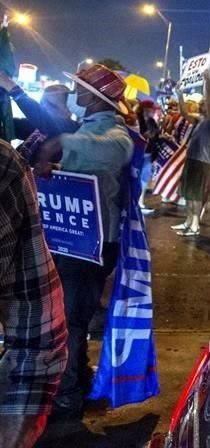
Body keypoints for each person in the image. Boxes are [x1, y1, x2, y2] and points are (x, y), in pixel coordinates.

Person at [34, 64, 134, 418]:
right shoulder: (91, 126)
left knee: (71, 319)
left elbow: (115, 150)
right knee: (66, 315)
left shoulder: (114, 132)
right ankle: (76, 376)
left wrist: (63, 143)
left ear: (93, 98)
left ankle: (67, 393)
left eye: (79, 89)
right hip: (72, 241)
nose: (75, 94)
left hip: (91, 245)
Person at [0, 140, 68, 447]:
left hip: (80, 243)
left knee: (81, 313)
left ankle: (73, 393)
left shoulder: (4, 166)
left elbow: (37, 329)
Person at [172, 69, 210, 237]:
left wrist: (208, 81)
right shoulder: (199, 120)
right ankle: (187, 222)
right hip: (192, 159)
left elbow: (208, 99)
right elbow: (184, 113)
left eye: (204, 104)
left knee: (196, 195)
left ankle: (195, 225)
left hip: (201, 161)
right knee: (188, 194)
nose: (201, 106)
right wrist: (180, 94)